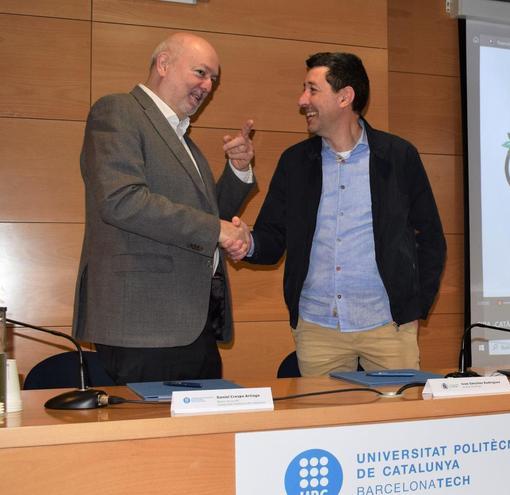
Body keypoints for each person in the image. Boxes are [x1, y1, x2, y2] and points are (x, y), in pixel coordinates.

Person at [244, 52, 446, 376]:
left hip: (387, 326)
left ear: (344, 97)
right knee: (324, 424)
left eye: (312, 90)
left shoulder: (398, 157)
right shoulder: (294, 163)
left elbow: (431, 237)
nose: (302, 100)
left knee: (398, 424)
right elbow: (272, 236)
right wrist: (248, 243)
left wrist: (413, 306)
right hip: (318, 328)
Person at [73, 32, 255, 384]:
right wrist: (218, 229)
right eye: (201, 73)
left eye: (213, 80)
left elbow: (209, 216)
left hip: (192, 324)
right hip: (144, 323)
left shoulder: (183, 140)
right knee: (150, 438)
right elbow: (121, 200)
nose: (208, 86)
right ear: (164, 64)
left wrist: (239, 169)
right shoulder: (118, 111)